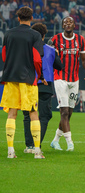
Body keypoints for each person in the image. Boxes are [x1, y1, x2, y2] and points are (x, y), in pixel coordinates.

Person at [0, 6, 45, 159]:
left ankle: (10, 151)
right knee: (33, 113)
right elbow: (38, 59)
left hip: (11, 78)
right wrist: (40, 75)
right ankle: (37, 152)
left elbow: (4, 55)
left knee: (12, 113)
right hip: (28, 79)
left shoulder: (9, 33)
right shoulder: (35, 35)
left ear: (18, 18)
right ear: (31, 18)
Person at [50, 16, 85, 151]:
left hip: (74, 79)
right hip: (60, 78)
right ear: (62, 26)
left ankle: (55, 140)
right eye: (65, 22)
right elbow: (48, 57)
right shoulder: (55, 39)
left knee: (70, 112)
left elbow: (84, 59)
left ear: (74, 25)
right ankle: (70, 143)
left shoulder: (80, 40)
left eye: (70, 22)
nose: (68, 24)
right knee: (64, 111)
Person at [23, 23, 63, 153]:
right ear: (44, 35)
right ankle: (37, 145)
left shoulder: (27, 49)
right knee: (44, 116)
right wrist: (55, 53)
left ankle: (29, 145)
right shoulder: (50, 50)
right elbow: (60, 66)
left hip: (29, 83)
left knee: (28, 114)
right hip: (45, 85)